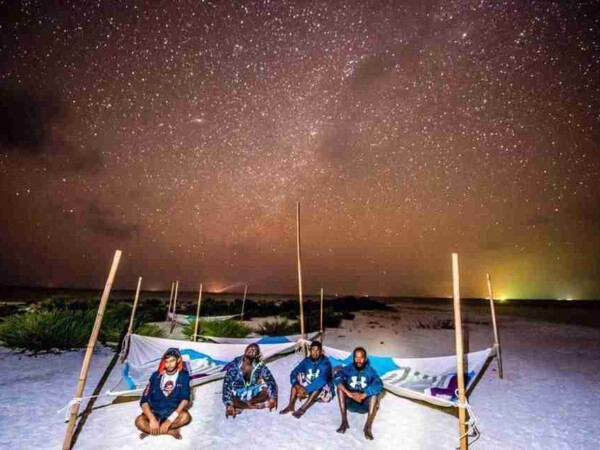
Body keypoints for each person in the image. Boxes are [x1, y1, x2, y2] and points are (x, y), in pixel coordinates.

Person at [135, 347, 192, 440]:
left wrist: (169, 420)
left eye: (172, 360)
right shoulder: (156, 376)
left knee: (185, 417)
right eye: (166, 361)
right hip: (155, 412)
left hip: (172, 412)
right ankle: (169, 431)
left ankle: (152, 431)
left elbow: (185, 399)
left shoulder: (184, 375)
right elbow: (144, 399)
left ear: (178, 360)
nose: (169, 364)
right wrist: (152, 419)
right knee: (139, 422)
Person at [334, 347, 383, 440]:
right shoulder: (349, 368)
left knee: (374, 395)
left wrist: (364, 394)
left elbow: (379, 384)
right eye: (356, 357)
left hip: (364, 404)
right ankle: (344, 422)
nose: (358, 360)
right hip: (350, 401)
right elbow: (337, 377)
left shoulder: (370, 371)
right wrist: (348, 393)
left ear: (365, 359)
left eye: (361, 358)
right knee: (340, 388)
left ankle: (367, 427)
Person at [280, 340, 334, 418]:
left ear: (321, 351)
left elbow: (322, 380)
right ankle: (290, 405)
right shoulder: (307, 361)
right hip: (309, 389)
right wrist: (297, 386)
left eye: (317, 350)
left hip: (324, 393)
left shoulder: (326, 363)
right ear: (310, 350)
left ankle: (302, 409)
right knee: (297, 377)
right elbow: (294, 372)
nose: (315, 353)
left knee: (319, 385)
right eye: (313, 350)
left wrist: (305, 389)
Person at [222, 343, 278, 418]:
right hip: (237, 393)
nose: (251, 350)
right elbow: (227, 384)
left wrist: (273, 398)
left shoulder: (259, 365)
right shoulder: (235, 364)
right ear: (245, 351)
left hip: (252, 391)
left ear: (257, 355)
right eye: (249, 348)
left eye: (254, 350)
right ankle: (251, 406)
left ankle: (244, 405)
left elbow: (270, 380)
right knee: (232, 399)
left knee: (269, 389)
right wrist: (228, 404)